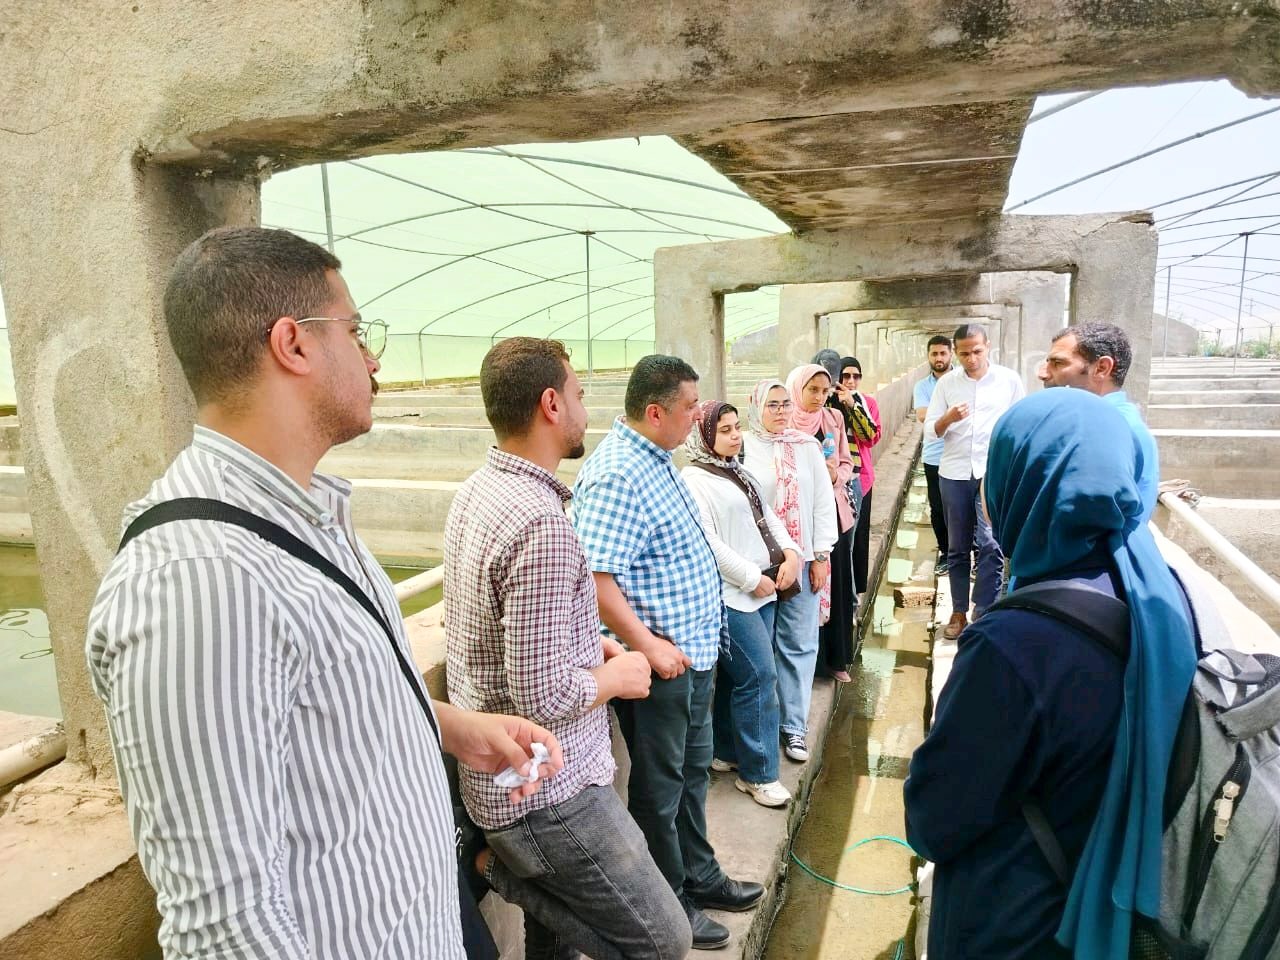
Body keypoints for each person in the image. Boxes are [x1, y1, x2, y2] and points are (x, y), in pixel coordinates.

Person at [85, 227, 563, 960]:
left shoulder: (303, 517)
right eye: (356, 331)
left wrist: (448, 725)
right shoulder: (198, 581)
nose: (371, 358)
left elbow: (308, 701)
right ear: (293, 344)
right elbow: (225, 926)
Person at [904, 389, 1196, 959]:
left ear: (1025, 483)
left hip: (1018, 921)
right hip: (1110, 904)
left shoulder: (1013, 644)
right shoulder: (1157, 597)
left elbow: (935, 820)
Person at [444, 337, 692, 960]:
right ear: (551, 405)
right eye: (579, 395)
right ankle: (493, 870)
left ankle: (503, 872)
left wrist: (594, 643)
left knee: (550, 945)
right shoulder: (542, 524)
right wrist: (622, 675)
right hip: (548, 791)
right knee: (664, 941)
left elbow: (510, 639)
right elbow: (542, 695)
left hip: (501, 779)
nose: (586, 409)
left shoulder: (479, 490)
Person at [572, 355, 764, 952]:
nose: (698, 417)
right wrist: (650, 644)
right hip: (661, 665)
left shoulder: (660, 461)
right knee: (659, 788)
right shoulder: (617, 474)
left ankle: (700, 874)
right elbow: (598, 579)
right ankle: (669, 898)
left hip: (694, 656)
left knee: (690, 775)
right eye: (689, 408)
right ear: (655, 412)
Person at [682, 400, 801, 809]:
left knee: (737, 679)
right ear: (703, 436)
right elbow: (708, 543)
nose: (735, 436)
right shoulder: (694, 479)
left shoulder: (737, 470)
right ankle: (760, 774)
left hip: (763, 589)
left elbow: (768, 517)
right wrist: (753, 578)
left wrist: (791, 553)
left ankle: (727, 752)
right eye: (725, 430)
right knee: (759, 678)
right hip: (733, 595)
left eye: (737, 428)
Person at [741, 380, 839, 764]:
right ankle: (766, 724)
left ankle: (795, 727)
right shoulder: (744, 448)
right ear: (756, 407)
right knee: (762, 647)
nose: (781, 412)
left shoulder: (807, 447)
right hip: (759, 564)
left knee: (799, 640)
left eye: (785, 404)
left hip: (803, 559)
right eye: (772, 405)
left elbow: (820, 501)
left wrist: (821, 554)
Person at [924, 324, 1025, 639]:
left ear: (988, 347)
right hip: (953, 472)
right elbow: (931, 430)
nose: (971, 359)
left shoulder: (1009, 381)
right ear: (956, 351)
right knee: (957, 548)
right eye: (964, 353)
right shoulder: (947, 385)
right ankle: (957, 612)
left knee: (990, 544)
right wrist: (948, 418)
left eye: (977, 351)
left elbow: (1020, 424)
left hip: (992, 473)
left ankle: (984, 610)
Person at [1039, 321, 1160, 522]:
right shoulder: (1102, 422)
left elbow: (1087, 520)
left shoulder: (1108, 431)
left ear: (1101, 368)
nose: (1042, 373)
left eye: (1058, 363)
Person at [786, 364, 858, 683]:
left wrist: (834, 475)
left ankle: (836, 659)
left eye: (824, 391)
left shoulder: (834, 419)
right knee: (806, 589)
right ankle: (809, 666)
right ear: (796, 389)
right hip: (797, 520)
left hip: (830, 514)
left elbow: (846, 462)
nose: (819, 397)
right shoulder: (784, 423)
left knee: (837, 582)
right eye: (812, 390)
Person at [834, 357, 882, 603]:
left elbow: (870, 437)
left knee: (857, 538)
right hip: (836, 480)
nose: (851, 381)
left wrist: (852, 405)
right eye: (845, 376)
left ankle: (854, 595)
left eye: (856, 376)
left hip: (860, 479)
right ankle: (844, 596)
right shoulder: (830, 402)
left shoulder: (866, 403)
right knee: (842, 539)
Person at [913, 335, 953, 572]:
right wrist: (951, 414)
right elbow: (921, 415)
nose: (939, 358)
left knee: (967, 505)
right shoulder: (922, 386)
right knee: (938, 507)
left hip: (961, 454)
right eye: (934, 354)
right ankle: (946, 552)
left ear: (951, 354)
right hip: (934, 455)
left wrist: (937, 414)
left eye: (943, 353)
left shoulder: (963, 380)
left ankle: (977, 554)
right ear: (928, 356)